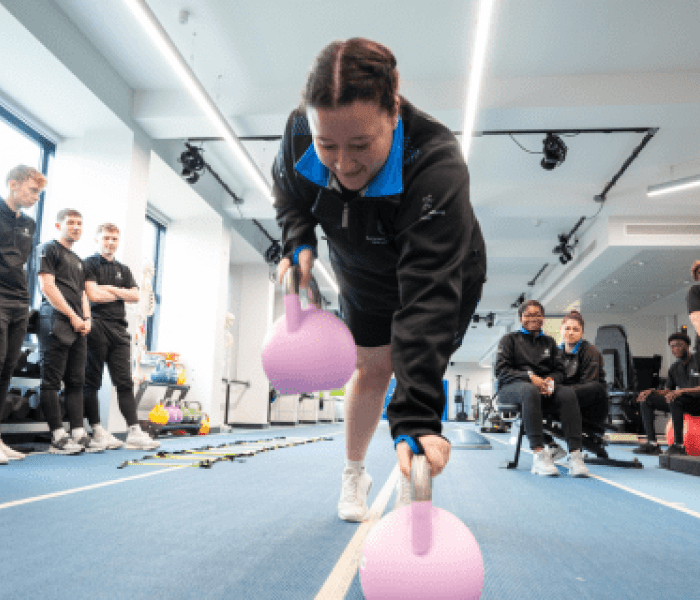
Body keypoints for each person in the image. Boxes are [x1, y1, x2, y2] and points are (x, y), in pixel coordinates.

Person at [272, 38, 487, 521]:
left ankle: (413, 477)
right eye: (328, 145)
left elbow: (428, 294)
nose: (344, 164)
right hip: (362, 266)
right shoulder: (298, 133)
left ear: (392, 111)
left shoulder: (437, 163)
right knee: (371, 368)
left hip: (442, 271)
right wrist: (299, 239)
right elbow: (288, 194)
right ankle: (354, 474)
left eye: (361, 146)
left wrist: (416, 416)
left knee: (415, 361)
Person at [82, 223, 159, 450]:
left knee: (124, 382)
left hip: (119, 330)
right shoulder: (88, 264)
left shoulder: (123, 270)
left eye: (114, 239)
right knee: (92, 382)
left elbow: (136, 296)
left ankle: (134, 432)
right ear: (97, 240)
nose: (110, 242)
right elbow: (93, 294)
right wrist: (119, 293)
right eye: (106, 238)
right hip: (96, 326)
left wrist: (111, 289)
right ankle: (97, 430)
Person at [37, 209, 107, 454]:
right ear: (59, 226)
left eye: (79, 223)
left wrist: (86, 318)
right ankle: (57, 437)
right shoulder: (48, 248)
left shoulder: (78, 260)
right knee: (51, 381)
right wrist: (73, 316)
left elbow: (81, 294)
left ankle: (78, 432)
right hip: (55, 320)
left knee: (76, 381)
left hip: (79, 325)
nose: (76, 227)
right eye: (71, 223)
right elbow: (47, 286)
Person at [494, 300, 590, 477]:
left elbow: (560, 371)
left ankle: (575, 456)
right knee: (529, 390)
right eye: (528, 315)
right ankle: (539, 455)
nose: (533, 318)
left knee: (568, 393)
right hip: (511, 388)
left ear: (543, 318)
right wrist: (530, 378)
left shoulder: (549, 342)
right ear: (520, 317)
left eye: (537, 315)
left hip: (543, 388)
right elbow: (501, 371)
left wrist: (550, 382)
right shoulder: (509, 340)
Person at [0, 166, 46, 464]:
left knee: (7, 369)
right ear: (13, 184)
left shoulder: (29, 224)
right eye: (32, 191)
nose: (35, 198)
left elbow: (25, 266)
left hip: (19, 303)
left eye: (39, 194)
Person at [633, 332, 700, 456]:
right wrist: (652, 391)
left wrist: (680, 391)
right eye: (672, 346)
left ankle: (679, 446)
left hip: (697, 403)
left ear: (687, 345)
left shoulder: (698, 361)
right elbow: (668, 390)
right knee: (646, 399)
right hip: (683, 402)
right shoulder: (674, 368)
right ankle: (652, 444)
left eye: (679, 345)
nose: (675, 349)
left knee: (676, 400)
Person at [556, 310, 609, 457]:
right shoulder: (556, 353)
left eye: (575, 329)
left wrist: (559, 391)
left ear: (582, 333)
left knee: (594, 387)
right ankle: (550, 445)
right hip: (566, 400)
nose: (570, 332)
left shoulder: (590, 352)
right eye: (567, 328)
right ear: (560, 330)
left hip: (591, 406)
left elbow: (589, 386)